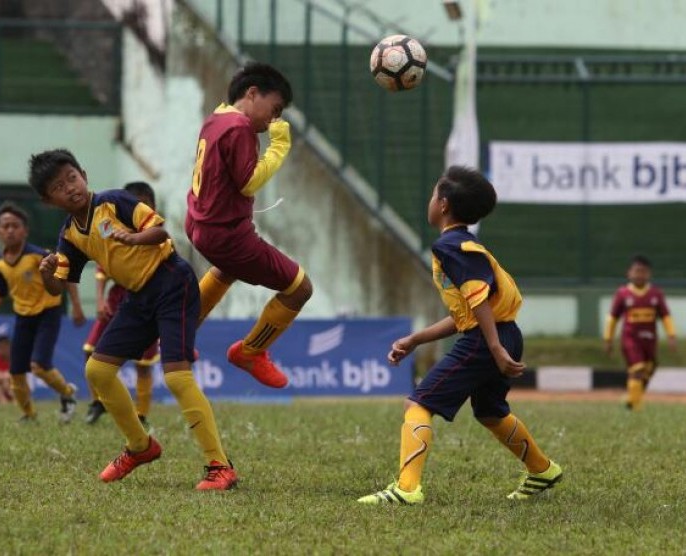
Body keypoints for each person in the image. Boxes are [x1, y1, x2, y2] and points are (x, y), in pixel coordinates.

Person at [30, 148, 237, 490]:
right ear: (48, 200)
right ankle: (140, 447)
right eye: (57, 186)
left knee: (177, 377)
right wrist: (48, 273)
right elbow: (57, 289)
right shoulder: (69, 235)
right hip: (137, 298)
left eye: (71, 178)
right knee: (97, 370)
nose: (69, 187)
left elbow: (160, 232)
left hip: (172, 282)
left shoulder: (115, 202)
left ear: (83, 173)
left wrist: (132, 237)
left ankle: (219, 466)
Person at [357, 166, 563, 506]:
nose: (431, 200)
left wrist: (494, 347)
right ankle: (542, 470)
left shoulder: (450, 246)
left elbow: (478, 299)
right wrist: (415, 340)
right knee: (490, 411)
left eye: (433, 194)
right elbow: (467, 313)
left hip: (488, 339)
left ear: (443, 204)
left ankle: (407, 489)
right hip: (503, 332)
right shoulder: (466, 244)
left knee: (418, 403)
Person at [185, 62, 312, 389]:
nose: (274, 119)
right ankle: (251, 352)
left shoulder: (215, 119)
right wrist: (280, 146)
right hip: (227, 234)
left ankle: (175, 333)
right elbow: (249, 182)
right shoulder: (239, 127)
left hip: (199, 224)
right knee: (299, 288)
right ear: (252, 93)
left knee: (227, 270)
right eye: (275, 109)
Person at [0, 202, 86, 423]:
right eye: (5, 226)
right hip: (23, 316)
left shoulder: (39, 256)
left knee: (38, 366)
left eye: (15, 225)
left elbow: (64, 276)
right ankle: (28, 415)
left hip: (48, 312)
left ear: (25, 230)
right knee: (16, 372)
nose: (10, 230)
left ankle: (68, 394)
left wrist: (76, 306)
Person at [83, 181, 159, 428]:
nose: (139, 209)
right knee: (90, 351)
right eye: (134, 203)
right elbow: (101, 265)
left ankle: (142, 414)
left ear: (153, 207)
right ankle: (98, 402)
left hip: (148, 299)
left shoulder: (156, 232)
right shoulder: (108, 227)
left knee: (144, 364)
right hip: (117, 298)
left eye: (145, 204)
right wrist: (100, 298)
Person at [604, 255, 677, 410]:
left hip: (650, 340)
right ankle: (636, 407)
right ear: (629, 273)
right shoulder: (623, 294)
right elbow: (612, 318)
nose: (639, 275)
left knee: (649, 369)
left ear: (649, 274)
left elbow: (666, 316)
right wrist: (608, 338)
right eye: (636, 271)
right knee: (637, 369)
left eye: (643, 272)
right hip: (630, 338)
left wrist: (671, 335)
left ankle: (631, 398)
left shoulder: (655, 294)